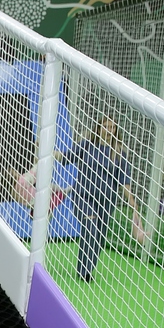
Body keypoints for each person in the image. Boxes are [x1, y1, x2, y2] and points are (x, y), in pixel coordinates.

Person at [55, 116, 146, 282]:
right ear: (99, 128)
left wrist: (132, 202)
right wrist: (47, 151)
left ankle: (88, 268)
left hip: (106, 201)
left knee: (99, 238)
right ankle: (83, 272)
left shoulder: (119, 154)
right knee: (90, 228)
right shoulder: (87, 146)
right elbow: (65, 157)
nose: (109, 130)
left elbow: (124, 181)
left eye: (112, 127)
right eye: (106, 126)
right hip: (83, 196)